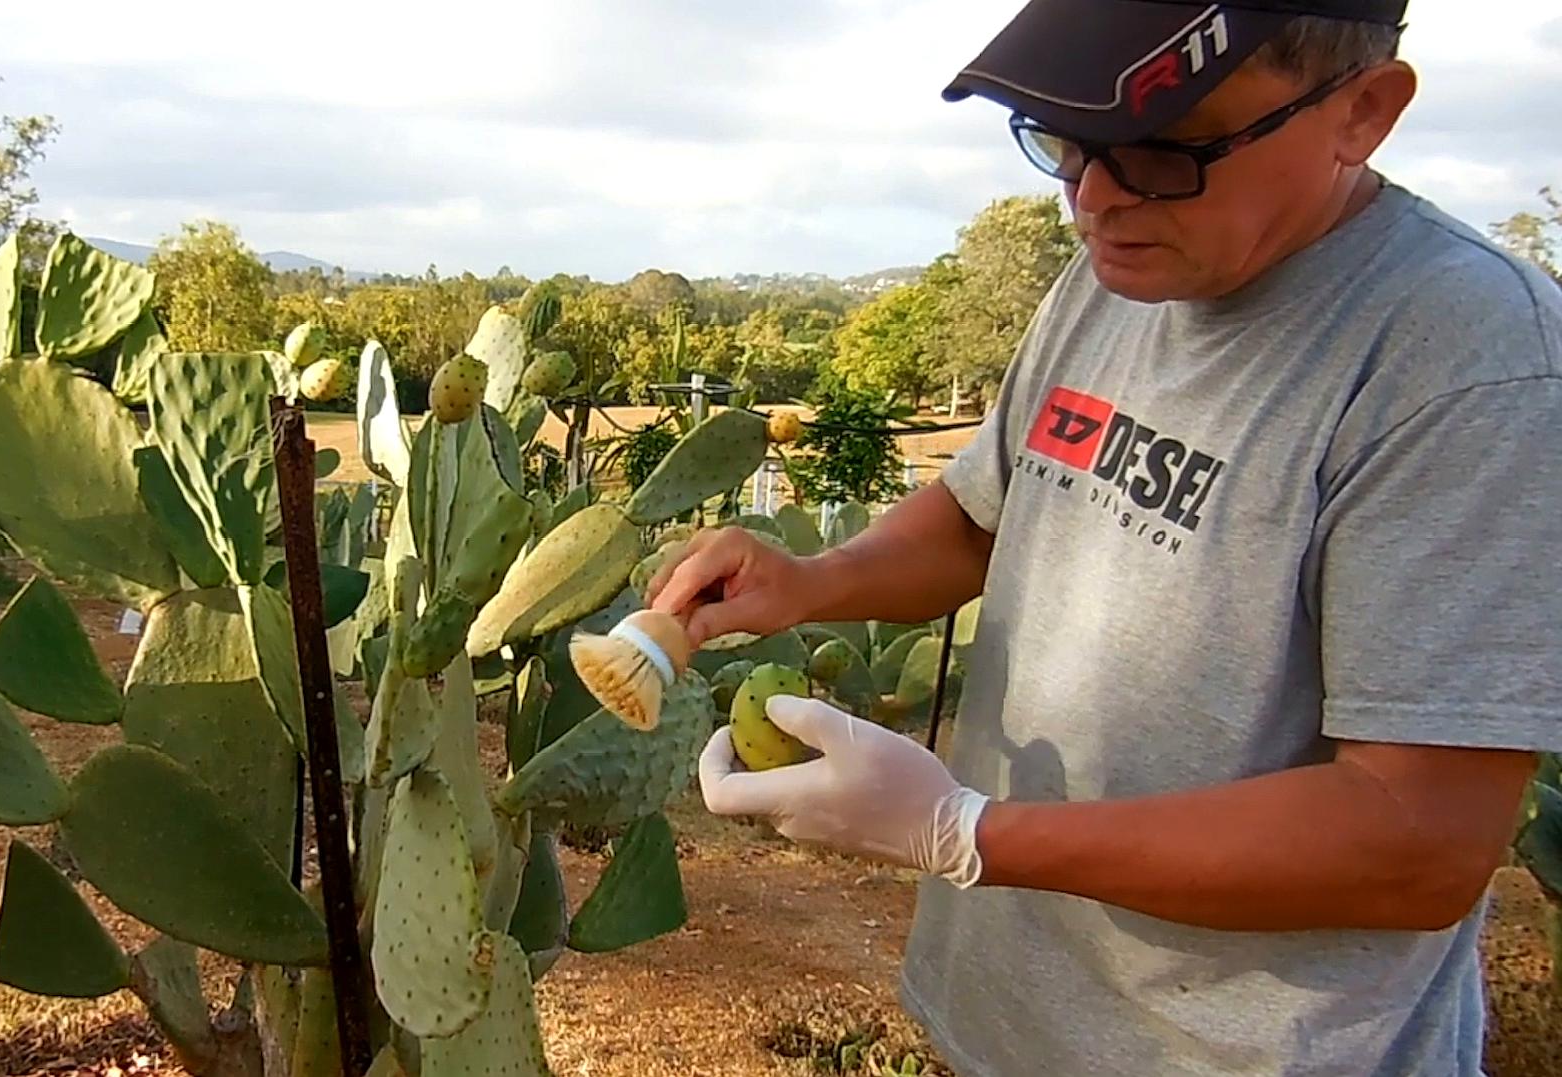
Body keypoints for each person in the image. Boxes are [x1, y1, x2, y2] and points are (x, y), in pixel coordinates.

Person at [645, 1, 1562, 1073]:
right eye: (1068, 147)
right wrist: (813, 578)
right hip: (1012, 1024)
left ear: (1364, 110)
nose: (1093, 202)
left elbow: (1415, 841)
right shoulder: (1120, 267)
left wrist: (966, 834)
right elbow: (983, 515)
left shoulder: (1467, 365)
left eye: (1164, 151)